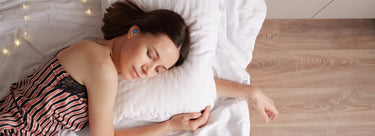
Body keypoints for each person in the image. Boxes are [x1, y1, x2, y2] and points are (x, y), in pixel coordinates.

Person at [0, 0, 278, 136]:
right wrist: (169, 125)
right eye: (150, 55)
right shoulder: (101, 67)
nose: (148, 70)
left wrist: (250, 92)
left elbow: (196, 83)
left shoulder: (108, 62)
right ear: (134, 32)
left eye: (158, 69)